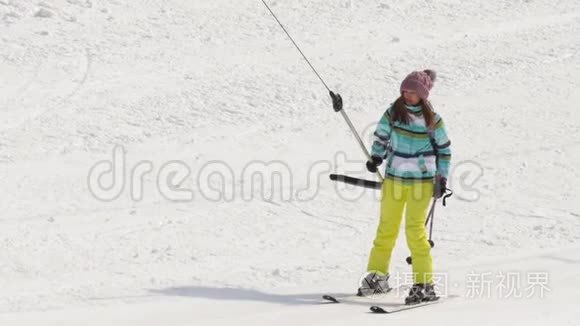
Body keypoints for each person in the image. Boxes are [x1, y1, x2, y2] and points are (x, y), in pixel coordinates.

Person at [359, 70, 451, 304]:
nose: (407, 95)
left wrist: (441, 179)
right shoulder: (393, 113)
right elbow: (381, 136)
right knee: (386, 229)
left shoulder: (433, 120)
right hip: (394, 180)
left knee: (415, 232)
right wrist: (376, 157)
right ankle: (377, 276)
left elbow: (444, 151)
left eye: (412, 92)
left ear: (422, 95)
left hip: (421, 183)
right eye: (404, 90)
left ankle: (424, 284)